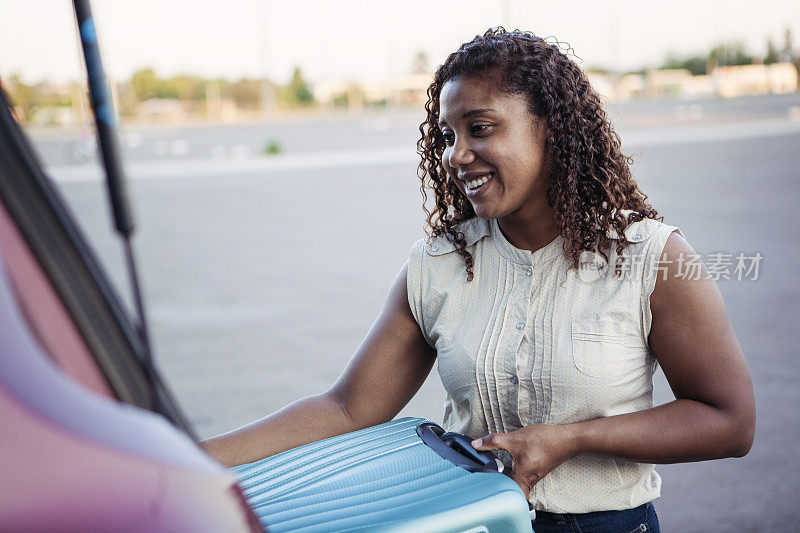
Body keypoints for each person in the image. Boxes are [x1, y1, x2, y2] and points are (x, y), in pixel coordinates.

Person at [201, 28, 755, 532]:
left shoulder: (650, 256)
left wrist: (572, 439)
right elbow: (349, 407)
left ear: (550, 128)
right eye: (448, 134)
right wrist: (189, 459)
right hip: (475, 523)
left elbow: (729, 420)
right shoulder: (439, 264)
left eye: (480, 129)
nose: (457, 155)